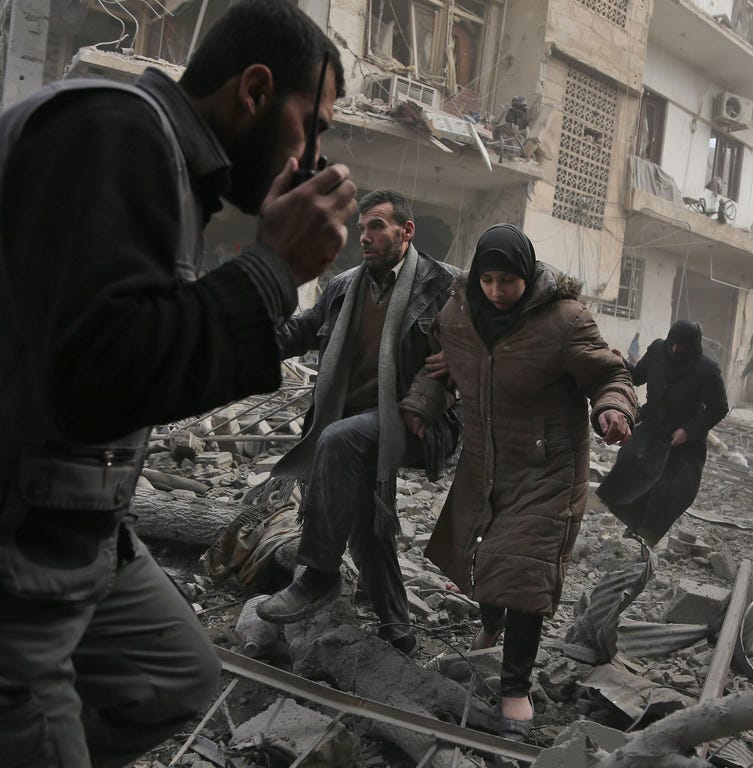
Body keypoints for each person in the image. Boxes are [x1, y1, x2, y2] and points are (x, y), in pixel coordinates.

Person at [0, 3, 358, 765]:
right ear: (256, 90)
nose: (314, 155)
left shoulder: (160, 156)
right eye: (312, 123)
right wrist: (270, 271)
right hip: (20, 539)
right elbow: (93, 375)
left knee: (173, 676)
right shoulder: (113, 131)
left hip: (76, 528)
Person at [400, 224, 635, 740]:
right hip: (485, 465)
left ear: (526, 275)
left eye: (508, 280)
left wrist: (613, 409)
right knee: (486, 558)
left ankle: (514, 689)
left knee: (525, 577)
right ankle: (490, 624)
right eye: (488, 279)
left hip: (547, 470)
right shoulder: (459, 313)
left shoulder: (564, 321)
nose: (498, 291)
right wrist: (422, 403)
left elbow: (609, 374)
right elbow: (441, 366)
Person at [257, 190, 461, 655]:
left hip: (416, 422)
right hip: (353, 421)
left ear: (406, 232)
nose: (364, 237)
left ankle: (319, 575)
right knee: (368, 524)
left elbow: (495, 328)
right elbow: (301, 330)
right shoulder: (344, 285)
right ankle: (398, 628)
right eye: (362, 228)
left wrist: (438, 384)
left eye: (377, 227)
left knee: (338, 439)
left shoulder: (446, 286)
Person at [597, 320, 729, 547]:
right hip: (653, 425)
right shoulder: (658, 350)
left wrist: (688, 430)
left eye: (682, 346)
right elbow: (638, 376)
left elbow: (719, 408)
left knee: (671, 487)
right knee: (631, 464)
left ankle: (647, 534)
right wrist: (621, 362)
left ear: (693, 345)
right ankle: (633, 524)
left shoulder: (707, 370)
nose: (676, 350)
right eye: (673, 343)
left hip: (684, 437)